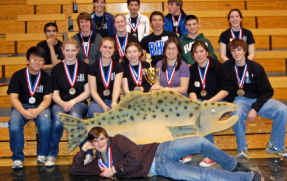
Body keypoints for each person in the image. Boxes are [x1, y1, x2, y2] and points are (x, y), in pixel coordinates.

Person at [71, 126, 261, 181]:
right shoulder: (98, 165)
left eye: (102, 138)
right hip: (158, 167)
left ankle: (232, 165)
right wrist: (83, 150)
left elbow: (136, 157)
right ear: (93, 144)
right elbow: (76, 171)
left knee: (201, 142)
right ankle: (246, 178)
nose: (100, 143)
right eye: (95, 141)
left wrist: (115, 169)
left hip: (160, 149)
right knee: (200, 175)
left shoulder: (118, 140)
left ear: (107, 137)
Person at [224, 39, 287, 159]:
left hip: (258, 99)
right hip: (239, 100)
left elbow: (268, 91)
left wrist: (255, 108)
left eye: (239, 49)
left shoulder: (256, 68)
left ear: (244, 51)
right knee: (236, 113)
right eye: (233, 50)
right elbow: (224, 89)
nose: (236, 53)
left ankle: (275, 146)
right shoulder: (226, 67)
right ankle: (242, 148)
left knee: (283, 109)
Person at [186, 40, 231, 167]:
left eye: (201, 51)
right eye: (196, 52)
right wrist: (195, 102)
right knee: (189, 114)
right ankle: (188, 149)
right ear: (192, 55)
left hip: (217, 103)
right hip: (201, 103)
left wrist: (209, 102)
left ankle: (212, 155)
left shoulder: (218, 66)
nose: (199, 55)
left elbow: (225, 90)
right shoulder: (193, 69)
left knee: (204, 116)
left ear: (207, 53)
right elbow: (191, 90)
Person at [46, 38, 90, 167]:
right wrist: (62, 103)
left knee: (75, 117)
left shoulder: (84, 67)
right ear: (63, 51)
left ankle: (87, 153)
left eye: (72, 50)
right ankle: (52, 154)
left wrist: (71, 102)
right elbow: (54, 94)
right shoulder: (56, 69)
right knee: (59, 120)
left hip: (78, 102)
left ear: (77, 51)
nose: (70, 53)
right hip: (59, 103)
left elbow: (87, 92)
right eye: (67, 50)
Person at [7, 46, 52, 169]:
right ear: (27, 60)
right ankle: (17, 158)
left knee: (46, 124)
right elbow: (13, 98)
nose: (37, 62)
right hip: (21, 107)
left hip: (40, 107)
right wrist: (23, 111)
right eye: (34, 59)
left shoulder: (46, 77)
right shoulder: (18, 75)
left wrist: (37, 110)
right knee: (14, 125)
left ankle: (42, 154)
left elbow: (48, 98)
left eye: (40, 60)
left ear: (43, 62)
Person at [87, 37, 123, 118]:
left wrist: (114, 102)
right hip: (97, 102)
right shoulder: (92, 67)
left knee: (116, 117)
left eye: (110, 48)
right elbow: (93, 91)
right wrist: (103, 105)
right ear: (100, 48)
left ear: (114, 50)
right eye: (105, 47)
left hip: (113, 100)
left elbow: (117, 88)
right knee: (98, 116)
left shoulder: (118, 66)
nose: (107, 50)